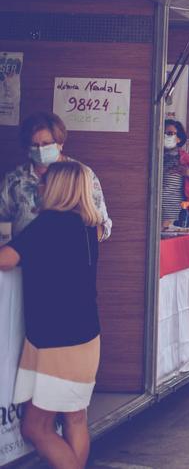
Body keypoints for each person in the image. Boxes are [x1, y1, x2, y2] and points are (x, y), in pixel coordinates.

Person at [0, 162, 102, 468]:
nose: (39, 188)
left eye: (44, 183)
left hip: (55, 341)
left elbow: (5, 259)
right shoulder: (88, 227)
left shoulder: (48, 226)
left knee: (35, 427)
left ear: (57, 188)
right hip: (83, 336)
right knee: (74, 419)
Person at [0, 112, 111, 242]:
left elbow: (103, 226)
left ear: (60, 143)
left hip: (68, 257)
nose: (40, 149)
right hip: (21, 258)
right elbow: (2, 221)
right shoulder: (14, 179)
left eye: (46, 144)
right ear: (27, 148)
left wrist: (75, 244)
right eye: (35, 145)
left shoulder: (81, 175)